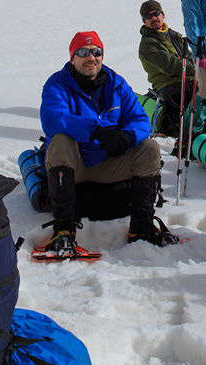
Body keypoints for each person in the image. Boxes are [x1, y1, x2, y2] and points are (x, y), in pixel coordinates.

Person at [39, 31, 179, 256]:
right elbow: (53, 118)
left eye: (96, 52)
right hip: (77, 164)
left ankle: (141, 227)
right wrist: (95, 131)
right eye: (83, 53)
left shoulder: (116, 84)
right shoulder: (57, 84)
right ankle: (64, 229)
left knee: (149, 148)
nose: (91, 58)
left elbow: (141, 120)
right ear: (72, 57)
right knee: (60, 141)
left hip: (110, 161)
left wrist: (127, 137)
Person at [137, 0, 191, 140]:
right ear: (145, 21)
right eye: (149, 17)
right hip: (169, 86)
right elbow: (171, 66)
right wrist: (198, 70)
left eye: (156, 13)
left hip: (188, 79)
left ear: (163, 14)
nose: (154, 18)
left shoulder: (172, 35)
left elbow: (189, 57)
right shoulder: (148, 45)